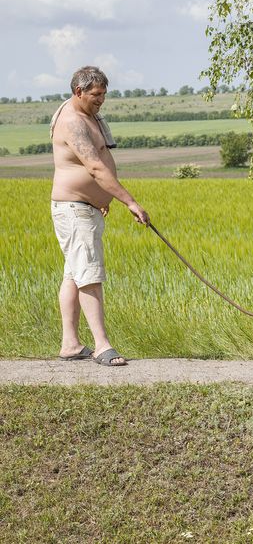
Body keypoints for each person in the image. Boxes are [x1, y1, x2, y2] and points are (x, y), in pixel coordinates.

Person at [50, 66, 150, 367]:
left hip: (85, 208)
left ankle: (70, 344)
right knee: (89, 275)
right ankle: (102, 345)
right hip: (74, 209)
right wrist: (130, 202)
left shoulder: (88, 115)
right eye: (96, 95)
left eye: (104, 95)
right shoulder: (72, 121)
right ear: (78, 92)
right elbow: (94, 168)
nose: (101, 100)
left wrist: (102, 198)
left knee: (74, 274)